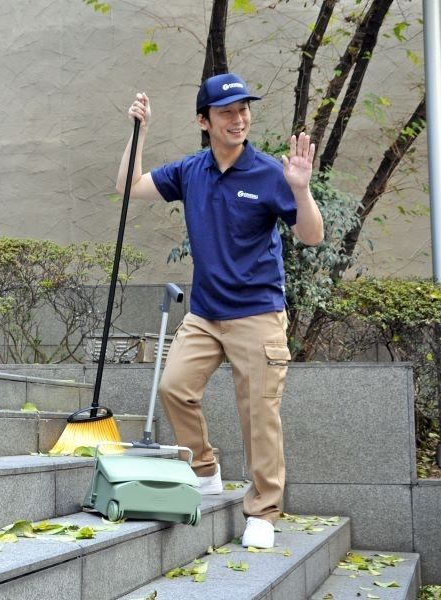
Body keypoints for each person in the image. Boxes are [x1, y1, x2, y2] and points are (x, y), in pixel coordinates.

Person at [116, 73, 324, 549]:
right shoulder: (192, 171)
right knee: (173, 387)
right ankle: (205, 469)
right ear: (204, 121)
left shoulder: (270, 172)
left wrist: (301, 189)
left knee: (259, 414)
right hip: (206, 314)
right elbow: (129, 185)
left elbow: (312, 236)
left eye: (243, 109)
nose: (238, 118)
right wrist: (140, 133)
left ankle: (263, 512)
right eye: (227, 112)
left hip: (258, 313)